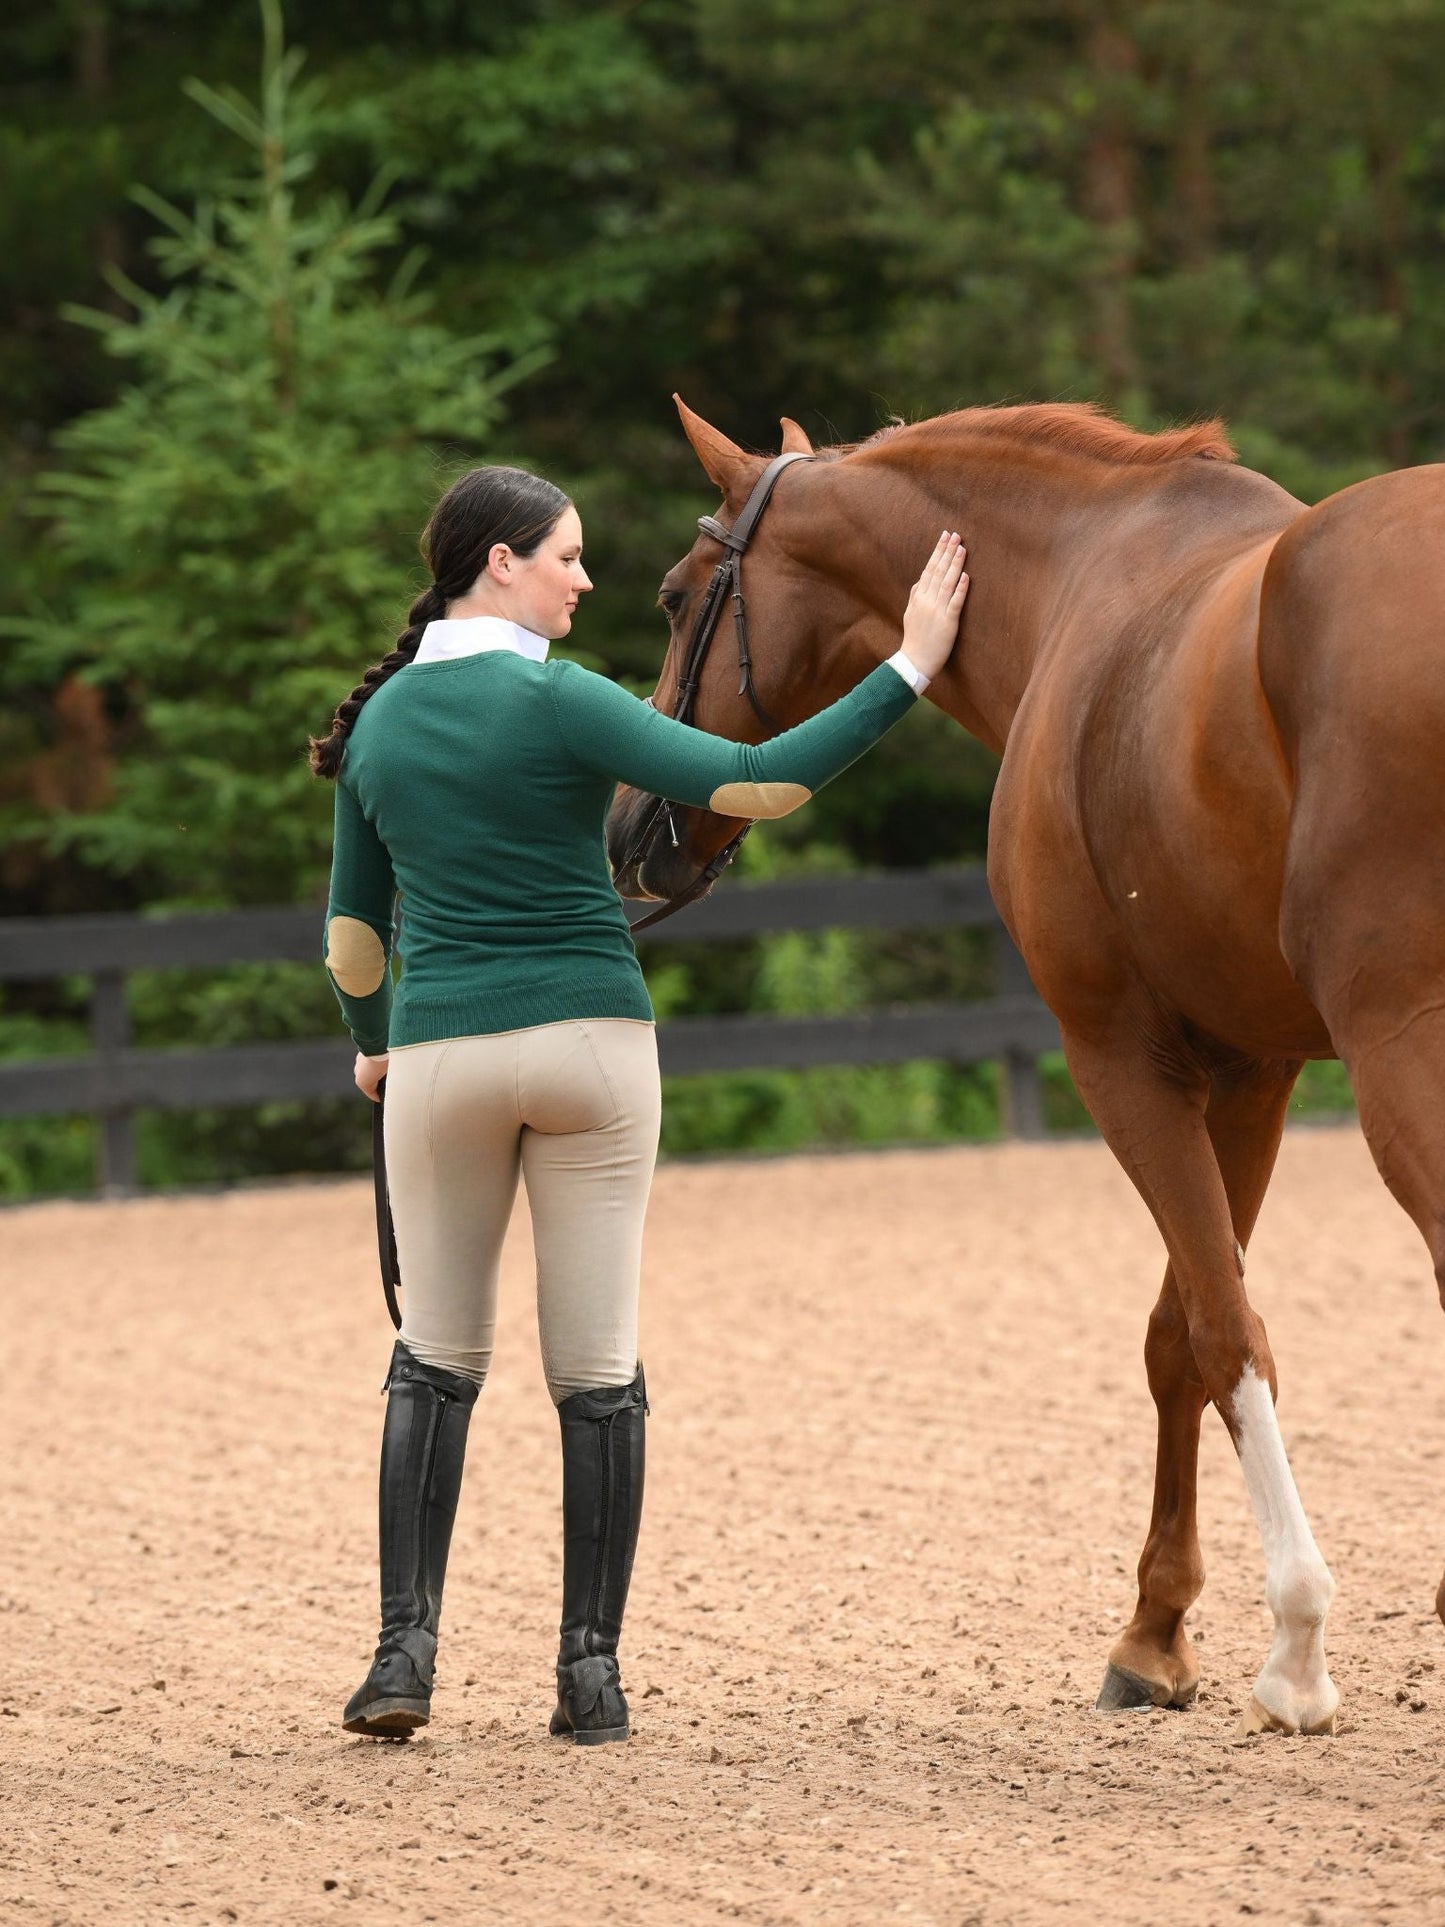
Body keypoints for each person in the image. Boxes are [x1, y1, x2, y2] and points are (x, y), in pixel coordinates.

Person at [310, 463, 968, 1746]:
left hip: (441, 1058)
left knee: (436, 1358)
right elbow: (755, 783)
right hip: (591, 1052)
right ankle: (589, 1677)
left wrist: (373, 1047)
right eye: (565, 553)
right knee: (595, 1369)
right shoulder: (562, 701)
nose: (584, 576)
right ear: (497, 563)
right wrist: (912, 665)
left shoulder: (380, 723)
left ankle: (402, 1657)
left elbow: (351, 936)